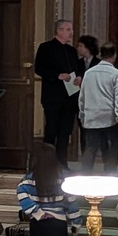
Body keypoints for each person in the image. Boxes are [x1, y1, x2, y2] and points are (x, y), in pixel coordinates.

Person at [34, 18, 85, 168]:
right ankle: (47, 164)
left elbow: (76, 68)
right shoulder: (46, 47)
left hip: (70, 97)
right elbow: (39, 68)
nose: (71, 33)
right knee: (51, 129)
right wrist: (57, 76)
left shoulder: (71, 51)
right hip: (53, 96)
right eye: (68, 29)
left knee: (65, 131)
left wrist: (79, 77)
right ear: (59, 31)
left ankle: (62, 162)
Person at [78, 41, 118, 170]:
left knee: (90, 148)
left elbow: (82, 96)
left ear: (100, 54)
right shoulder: (117, 75)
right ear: (114, 55)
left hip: (91, 115)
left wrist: (82, 115)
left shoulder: (88, 73)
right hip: (109, 117)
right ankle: (110, 173)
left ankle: (85, 176)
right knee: (114, 146)